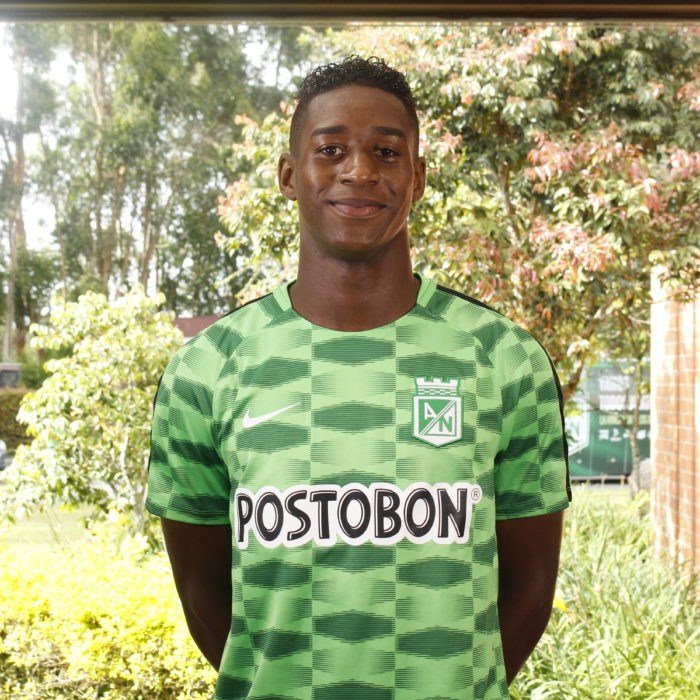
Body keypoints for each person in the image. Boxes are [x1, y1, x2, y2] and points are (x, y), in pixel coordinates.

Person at [146, 55, 571, 700]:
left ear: (417, 178)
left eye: (386, 152)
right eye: (331, 150)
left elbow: (531, 587)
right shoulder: (206, 368)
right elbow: (204, 598)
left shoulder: (505, 358)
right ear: (290, 175)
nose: (360, 171)